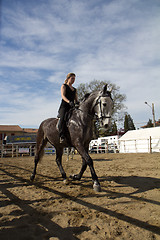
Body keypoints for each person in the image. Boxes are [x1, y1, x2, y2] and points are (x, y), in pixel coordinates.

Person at [57, 73, 78, 143]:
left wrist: (77, 103)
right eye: (72, 78)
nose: (73, 80)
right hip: (64, 106)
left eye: (74, 79)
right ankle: (61, 136)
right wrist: (69, 102)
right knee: (63, 118)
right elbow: (63, 96)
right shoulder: (64, 86)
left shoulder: (75, 89)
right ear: (68, 78)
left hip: (72, 107)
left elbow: (76, 99)